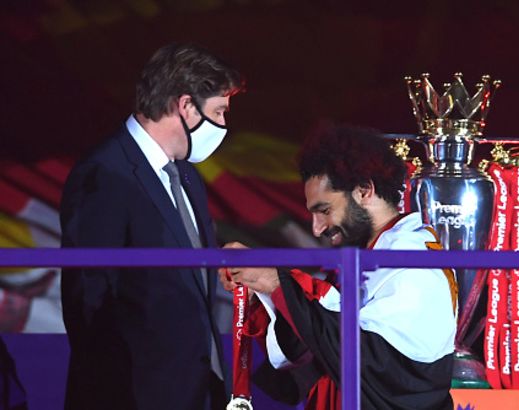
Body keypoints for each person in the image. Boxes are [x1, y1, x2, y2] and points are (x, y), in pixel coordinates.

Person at [219, 126, 457, 409]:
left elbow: (375, 365)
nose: (317, 228)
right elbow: (318, 347)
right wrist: (262, 291)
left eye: (325, 211)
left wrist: (276, 282)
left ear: (364, 191)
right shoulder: (371, 256)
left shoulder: (413, 262)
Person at [60, 43, 242, 410]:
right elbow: (88, 305)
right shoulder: (104, 173)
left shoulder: (187, 176)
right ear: (186, 106)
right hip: (134, 397)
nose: (223, 125)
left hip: (198, 390)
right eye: (219, 112)